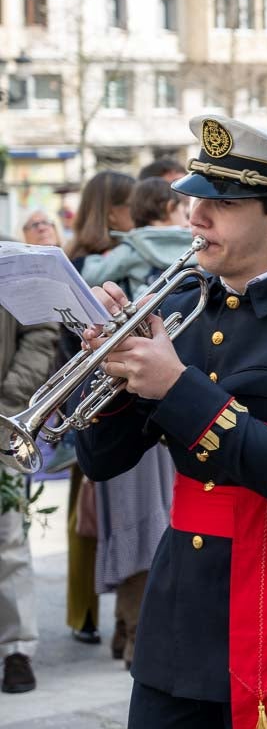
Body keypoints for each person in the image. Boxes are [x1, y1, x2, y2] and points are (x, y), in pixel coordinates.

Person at [74, 115, 267, 729]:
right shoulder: (180, 308)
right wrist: (104, 371)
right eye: (196, 201)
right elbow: (104, 461)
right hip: (181, 606)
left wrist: (174, 385)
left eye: (224, 203)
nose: (197, 217)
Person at [63, 169, 136, 648]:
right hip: (98, 393)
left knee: (86, 513)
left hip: (98, 395)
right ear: (114, 211)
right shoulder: (109, 262)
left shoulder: (76, 259)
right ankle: (98, 616)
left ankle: (87, 614)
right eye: (131, 207)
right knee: (94, 512)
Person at [0, 304, 59, 694]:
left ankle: (16, 649)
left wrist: (10, 399)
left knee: (8, 539)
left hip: (1, 415)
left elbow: (40, 330)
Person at [80, 178, 193, 298]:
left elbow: (91, 277)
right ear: (170, 206)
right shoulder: (194, 245)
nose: (187, 222)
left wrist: (94, 258)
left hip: (148, 313)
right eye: (184, 214)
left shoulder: (132, 248)